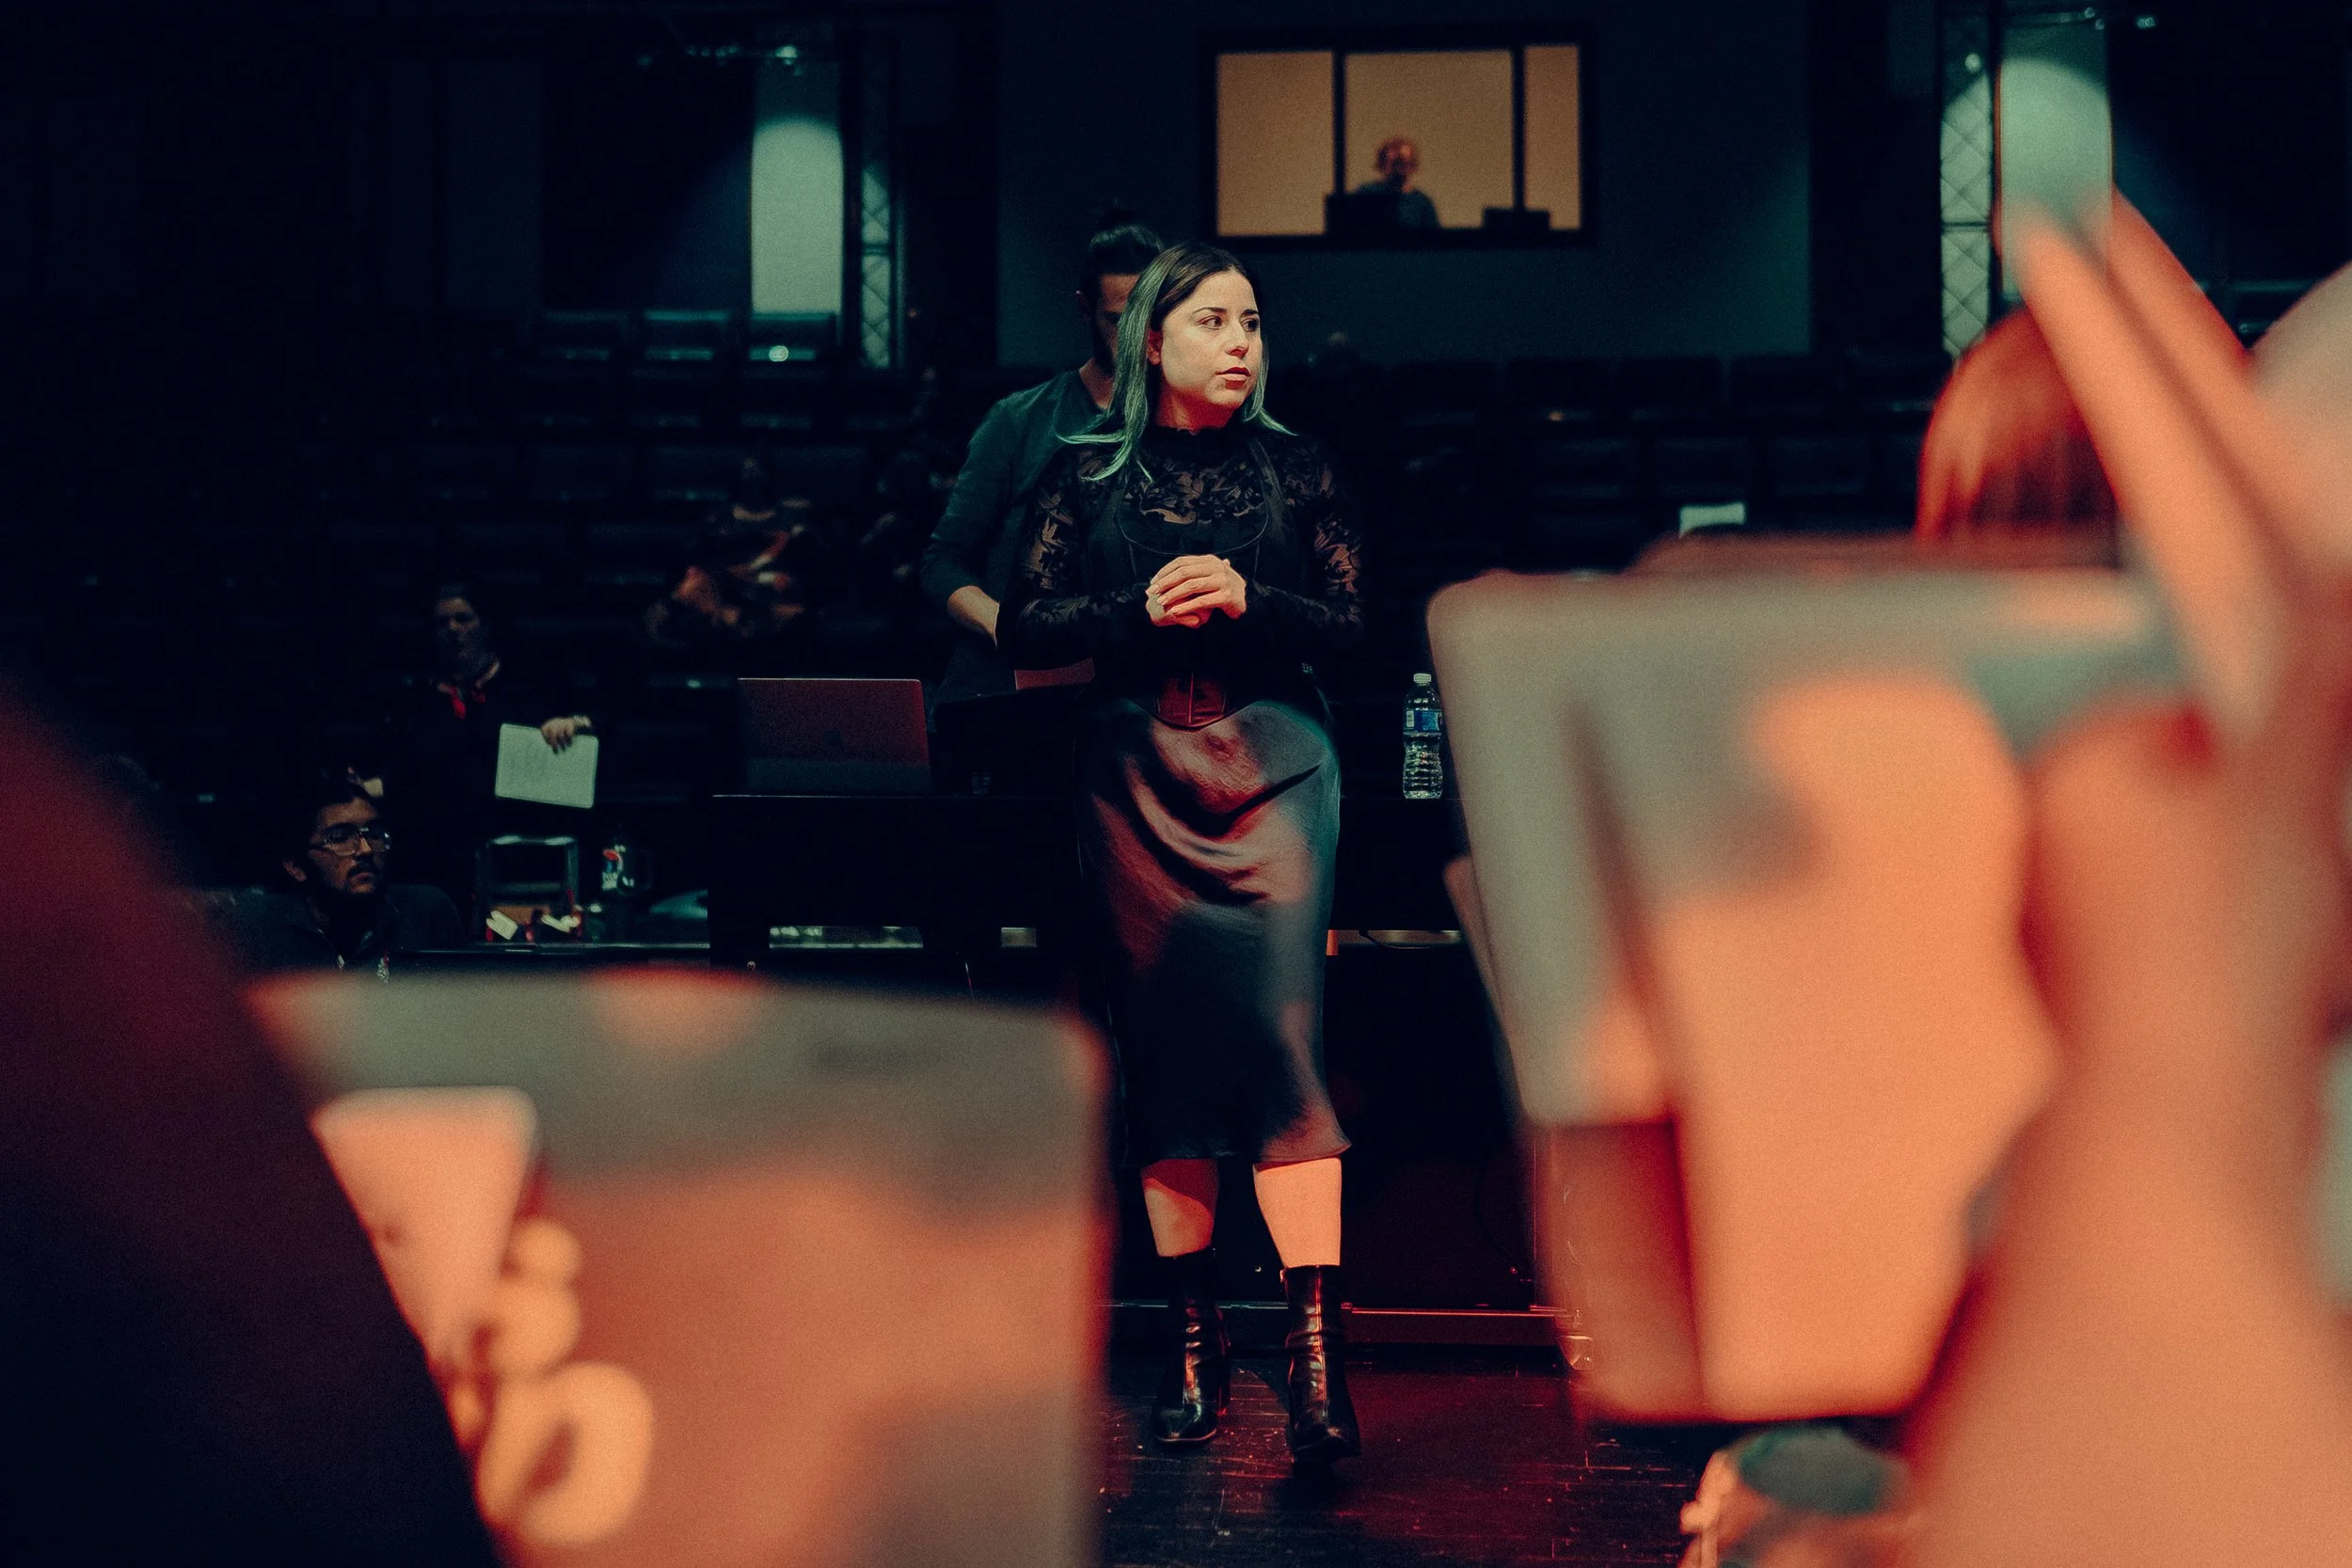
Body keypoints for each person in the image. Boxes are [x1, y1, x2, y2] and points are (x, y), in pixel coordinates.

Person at [997, 241, 1366, 1464]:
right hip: (1134, 783)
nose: (1242, 341)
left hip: (1278, 771)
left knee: (1283, 1046)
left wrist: (1254, 601)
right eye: (1214, 320)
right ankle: (1194, 1346)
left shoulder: (1299, 464)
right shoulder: (1083, 471)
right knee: (1164, 1060)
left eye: (1252, 320)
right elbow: (1024, 623)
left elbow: (1357, 624)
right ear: (1152, 340)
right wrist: (1134, 608)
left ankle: (1316, 1362)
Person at [0, 686, 500, 1562]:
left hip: (425, 1131)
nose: (365, 850)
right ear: (297, 865)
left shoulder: (424, 913)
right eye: (341, 838)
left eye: (374, 834)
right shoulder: (255, 934)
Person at [919, 218, 1164, 705]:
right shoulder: (1020, 420)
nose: (1138, 336)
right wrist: (1007, 629)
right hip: (1011, 688)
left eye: (1150, 317)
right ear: (1085, 309)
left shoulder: (1184, 423)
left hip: (1129, 693)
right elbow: (943, 562)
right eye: (1119, 320)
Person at [388, 585, 593, 904]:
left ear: (484, 625)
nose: (452, 629)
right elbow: (404, 773)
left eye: (463, 618)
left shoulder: (528, 686)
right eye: (442, 622)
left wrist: (573, 724)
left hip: (520, 846)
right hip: (442, 850)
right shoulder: (418, 698)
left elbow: (587, 726)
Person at [643, 457, 813, 667]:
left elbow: (805, 567)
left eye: (759, 478)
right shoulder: (717, 519)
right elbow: (698, 561)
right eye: (748, 478)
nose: (754, 485)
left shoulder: (791, 521)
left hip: (774, 597)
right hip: (727, 596)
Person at [1353, 136, 1438, 230]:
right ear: (1382, 164)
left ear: (1412, 166)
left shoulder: (1422, 203)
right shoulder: (1366, 195)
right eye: (1394, 163)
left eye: (1402, 163)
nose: (1398, 169)